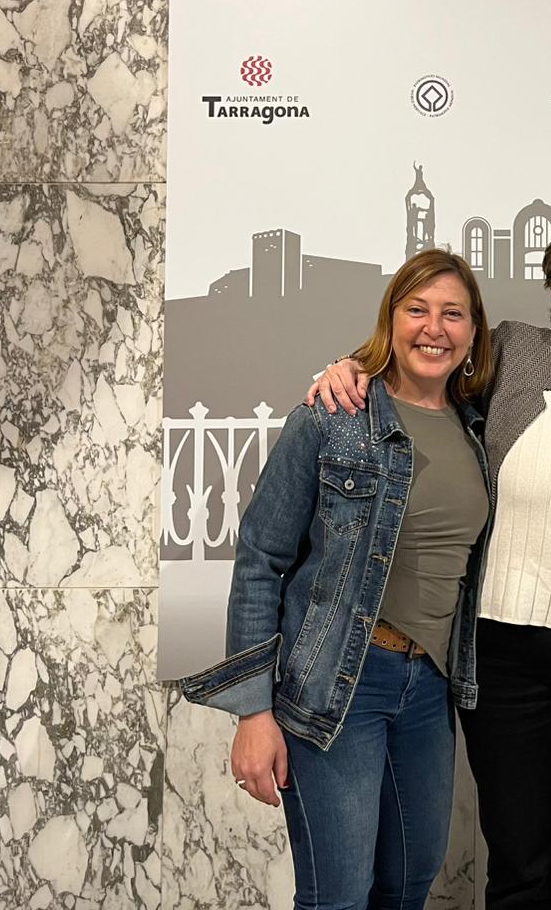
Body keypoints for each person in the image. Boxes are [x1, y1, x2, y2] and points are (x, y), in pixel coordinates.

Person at [309, 213, 551, 910]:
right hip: (505, 655)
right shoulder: (514, 352)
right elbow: (422, 368)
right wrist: (352, 366)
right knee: (517, 866)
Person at [181, 248, 496, 910]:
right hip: (340, 687)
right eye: (417, 309)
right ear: (391, 320)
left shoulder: (478, 430)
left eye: (453, 314)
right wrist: (253, 712)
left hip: (429, 689)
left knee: (409, 886)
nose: (434, 328)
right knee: (339, 897)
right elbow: (261, 558)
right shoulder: (333, 416)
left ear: (473, 334)